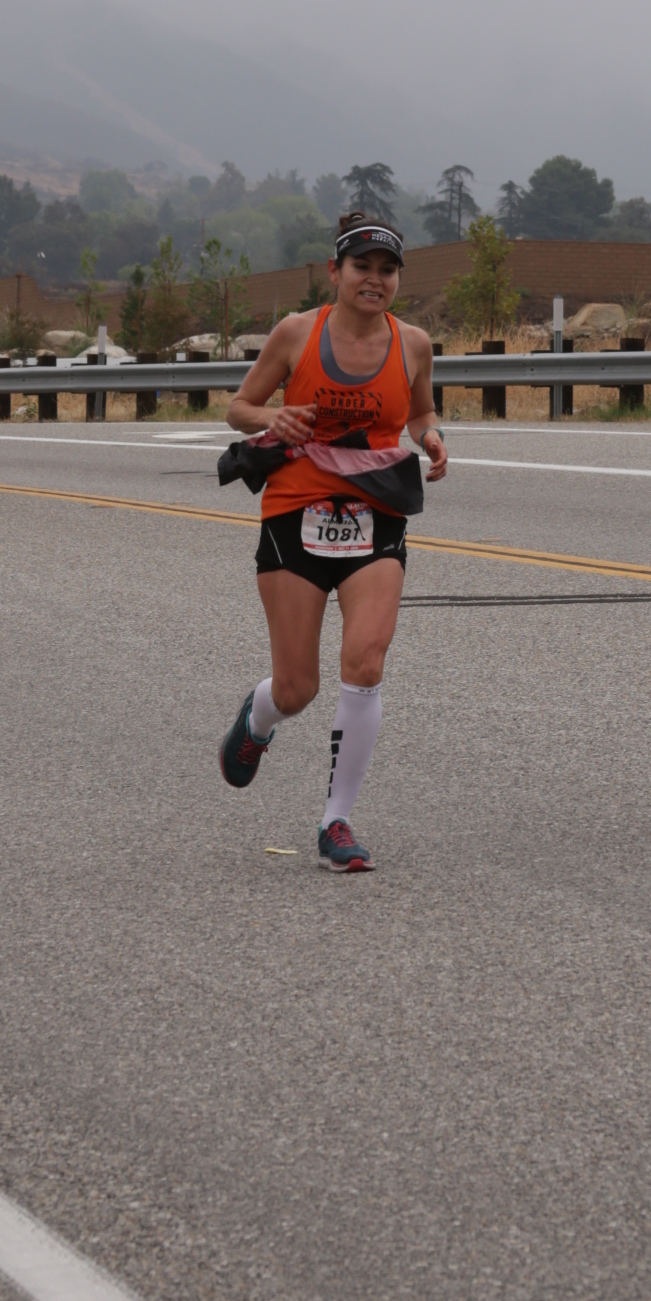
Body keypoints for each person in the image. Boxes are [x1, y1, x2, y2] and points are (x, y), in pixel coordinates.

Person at [215, 212, 446, 871]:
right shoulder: (297, 333)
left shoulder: (413, 343)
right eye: (361, 267)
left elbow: (421, 409)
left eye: (387, 270)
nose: (375, 280)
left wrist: (431, 437)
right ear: (334, 272)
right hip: (296, 512)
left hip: (377, 511)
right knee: (298, 688)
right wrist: (274, 415)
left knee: (366, 661)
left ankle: (335, 821)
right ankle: (259, 718)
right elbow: (238, 408)